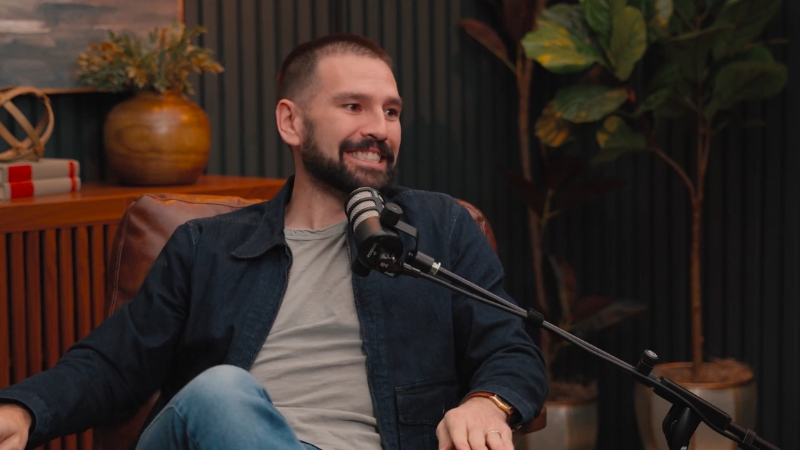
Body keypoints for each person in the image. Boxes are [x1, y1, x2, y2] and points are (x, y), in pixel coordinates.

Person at [0, 34, 546, 450]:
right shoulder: (206, 247)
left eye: (392, 111)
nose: (380, 127)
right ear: (292, 122)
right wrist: (24, 410)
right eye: (354, 106)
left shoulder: (439, 227)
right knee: (221, 393)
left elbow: (510, 347)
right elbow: (113, 363)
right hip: (221, 435)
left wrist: (487, 403)